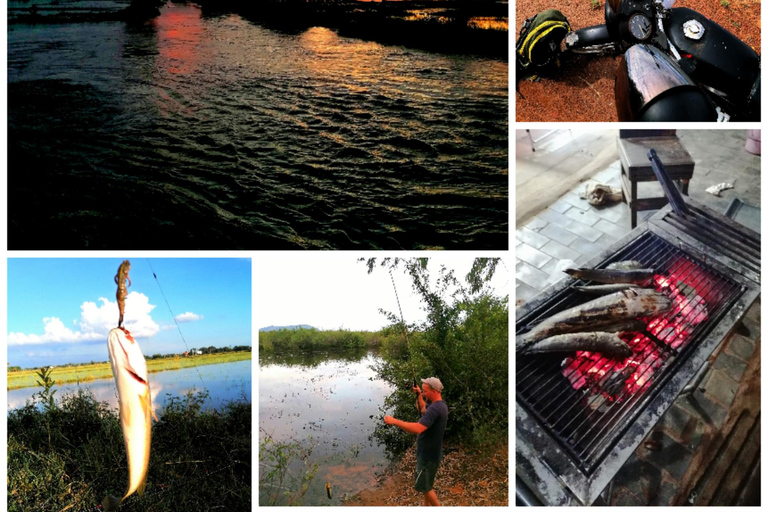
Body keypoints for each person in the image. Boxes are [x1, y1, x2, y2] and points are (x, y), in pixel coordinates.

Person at [384, 377, 448, 506]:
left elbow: (418, 428)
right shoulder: (438, 405)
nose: (423, 393)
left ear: (434, 391)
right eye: (422, 391)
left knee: (425, 487)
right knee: (427, 484)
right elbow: (422, 409)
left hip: (428, 455)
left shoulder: (436, 409)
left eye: (425, 391)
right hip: (430, 453)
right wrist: (419, 395)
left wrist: (395, 421)